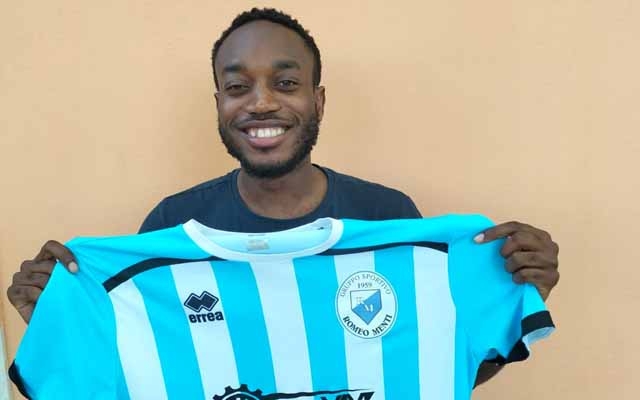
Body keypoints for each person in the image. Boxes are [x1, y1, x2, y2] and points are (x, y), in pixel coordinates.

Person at [7, 7, 559, 388]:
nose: (261, 103)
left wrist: (518, 287)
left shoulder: (390, 218)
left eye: (286, 83)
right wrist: (62, 318)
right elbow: (135, 370)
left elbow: (431, 361)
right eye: (237, 86)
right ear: (219, 104)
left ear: (319, 101)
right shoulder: (169, 228)